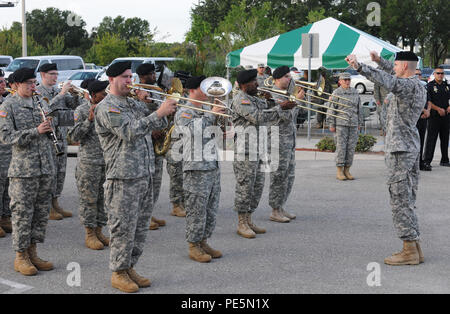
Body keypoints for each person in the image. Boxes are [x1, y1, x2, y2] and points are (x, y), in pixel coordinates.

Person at [95, 61, 177, 293]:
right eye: (124, 77)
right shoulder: (107, 107)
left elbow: (159, 122)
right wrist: (157, 114)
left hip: (144, 174)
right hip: (122, 178)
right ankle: (118, 272)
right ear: (111, 80)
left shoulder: (132, 102)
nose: (130, 81)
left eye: (131, 77)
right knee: (122, 229)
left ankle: (130, 266)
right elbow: (129, 131)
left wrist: (154, 106)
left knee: (139, 228)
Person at [346, 50, 426, 265]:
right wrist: (380, 61)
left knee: (400, 199)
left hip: (400, 150)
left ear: (405, 67)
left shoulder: (407, 86)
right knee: (407, 198)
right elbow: (393, 72)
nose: (394, 67)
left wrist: (360, 66)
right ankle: (414, 246)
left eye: (397, 65)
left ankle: (409, 249)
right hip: (407, 146)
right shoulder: (415, 83)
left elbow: (389, 80)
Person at [0, 68, 56, 276]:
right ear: (15, 85)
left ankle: (33, 252)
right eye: (29, 83)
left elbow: (49, 132)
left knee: (40, 214)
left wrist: (51, 128)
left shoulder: (39, 102)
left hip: (44, 168)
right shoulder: (9, 105)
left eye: (34, 82)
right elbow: (6, 137)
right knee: (23, 214)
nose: (33, 86)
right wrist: (36, 131)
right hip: (23, 172)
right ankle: (20, 256)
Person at [231, 69, 296, 238]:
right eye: (254, 82)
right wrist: (280, 107)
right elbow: (258, 117)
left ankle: (249, 219)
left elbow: (268, 108)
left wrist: (275, 101)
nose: (257, 84)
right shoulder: (241, 99)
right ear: (245, 85)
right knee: (245, 187)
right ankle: (241, 222)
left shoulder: (254, 98)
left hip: (258, 148)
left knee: (257, 187)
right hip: (245, 151)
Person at [174, 75, 225, 262]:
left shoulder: (205, 108)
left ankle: (204, 241)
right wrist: (213, 114)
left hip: (211, 165)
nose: (208, 92)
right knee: (197, 209)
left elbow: (214, 132)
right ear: (192, 90)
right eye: (204, 89)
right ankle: (193, 245)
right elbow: (193, 132)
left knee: (210, 209)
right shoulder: (184, 112)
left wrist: (219, 118)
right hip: (195, 168)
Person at [68, 80, 110, 250]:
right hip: (89, 163)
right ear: (93, 95)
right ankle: (90, 234)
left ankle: (99, 230)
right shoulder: (82, 110)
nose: (106, 95)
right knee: (89, 200)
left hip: (106, 162)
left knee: (102, 200)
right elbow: (73, 136)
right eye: (102, 93)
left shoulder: (108, 108)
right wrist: (89, 120)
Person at [36, 63, 81, 220]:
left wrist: (76, 94)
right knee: (49, 173)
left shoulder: (57, 90)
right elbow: (47, 108)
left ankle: (55, 202)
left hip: (61, 137)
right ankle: (47, 207)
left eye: (56, 74)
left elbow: (74, 105)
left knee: (60, 172)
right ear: (43, 75)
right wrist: (62, 93)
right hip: (48, 139)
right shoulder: (38, 92)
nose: (55, 77)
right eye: (52, 74)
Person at [267, 66, 305, 223]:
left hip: (289, 140)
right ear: (277, 79)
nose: (289, 79)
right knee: (278, 176)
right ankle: (275, 210)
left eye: (289, 76)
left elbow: (295, 116)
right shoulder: (271, 96)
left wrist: (296, 100)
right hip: (277, 141)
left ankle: (281, 206)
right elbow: (284, 116)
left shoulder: (288, 93)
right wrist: (297, 101)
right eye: (286, 77)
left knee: (289, 176)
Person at [136, 63, 168, 229]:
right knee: (146, 183)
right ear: (143, 77)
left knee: (156, 182)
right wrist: (151, 132)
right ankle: (143, 216)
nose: (154, 76)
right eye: (151, 74)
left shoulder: (156, 89)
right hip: (145, 143)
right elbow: (137, 121)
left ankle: (149, 212)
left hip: (158, 142)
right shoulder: (136, 93)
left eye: (154, 73)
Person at [327, 72, 363, 180]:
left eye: (349, 80)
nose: (347, 82)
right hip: (341, 124)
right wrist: (331, 123)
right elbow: (331, 109)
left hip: (353, 124)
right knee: (341, 147)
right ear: (340, 81)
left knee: (351, 148)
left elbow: (359, 109)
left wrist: (359, 123)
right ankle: (339, 170)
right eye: (345, 80)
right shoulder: (336, 93)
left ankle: (347, 170)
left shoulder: (355, 92)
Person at [422, 66, 450, 170]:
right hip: (434, 116)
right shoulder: (429, 86)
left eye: (442, 73)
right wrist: (438, 109)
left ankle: (445, 160)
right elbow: (428, 101)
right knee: (431, 139)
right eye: (438, 73)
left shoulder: (446, 85)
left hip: (446, 116)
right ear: (434, 74)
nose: (440, 75)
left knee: (445, 138)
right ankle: (427, 160)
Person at [0, 70, 12, 238]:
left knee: (6, 186)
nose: (3, 85)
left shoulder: (5, 101)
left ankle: (4, 217)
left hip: (6, 150)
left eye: (3, 81)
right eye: (0, 82)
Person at [414, 69, 431, 171]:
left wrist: (428, 111)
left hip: (424, 117)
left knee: (421, 140)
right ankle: (413, 163)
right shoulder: (409, 86)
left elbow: (429, 100)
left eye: (420, 74)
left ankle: (420, 162)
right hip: (414, 117)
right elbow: (413, 101)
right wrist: (424, 110)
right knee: (414, 142)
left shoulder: (424, 86)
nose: (418, 76)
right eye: (416, 74)